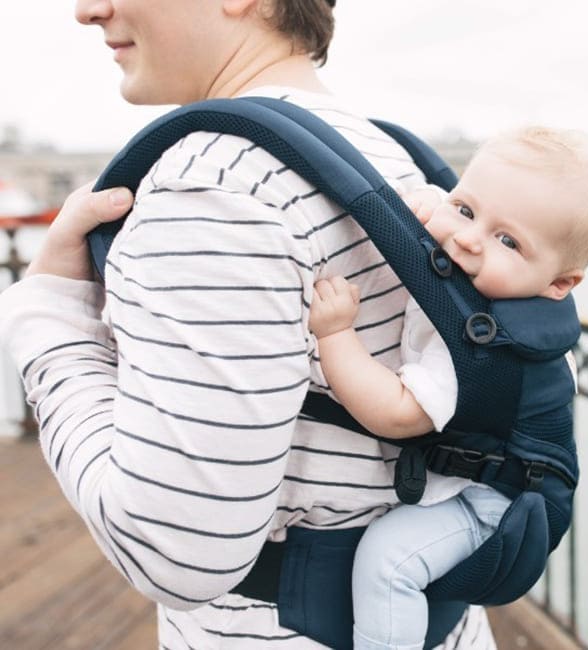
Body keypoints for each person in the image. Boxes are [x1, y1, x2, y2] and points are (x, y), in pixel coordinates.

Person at [0, 1, 496, 648]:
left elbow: (176, 554)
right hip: (435, 620)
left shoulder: (209, 191)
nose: (87, 9)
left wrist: (51, 318)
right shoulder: (394, 157)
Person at [308, 126, 588, 650]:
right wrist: (433, 205)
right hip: (476, 476)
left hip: (491, 504)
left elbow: (397, 412)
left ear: (558, 284)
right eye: (468, 211)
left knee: (388, 561)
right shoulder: (478, 276)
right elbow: (446, 216)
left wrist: (335, 335)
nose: (469, 240)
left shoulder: (489, 353)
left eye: (509, 241)